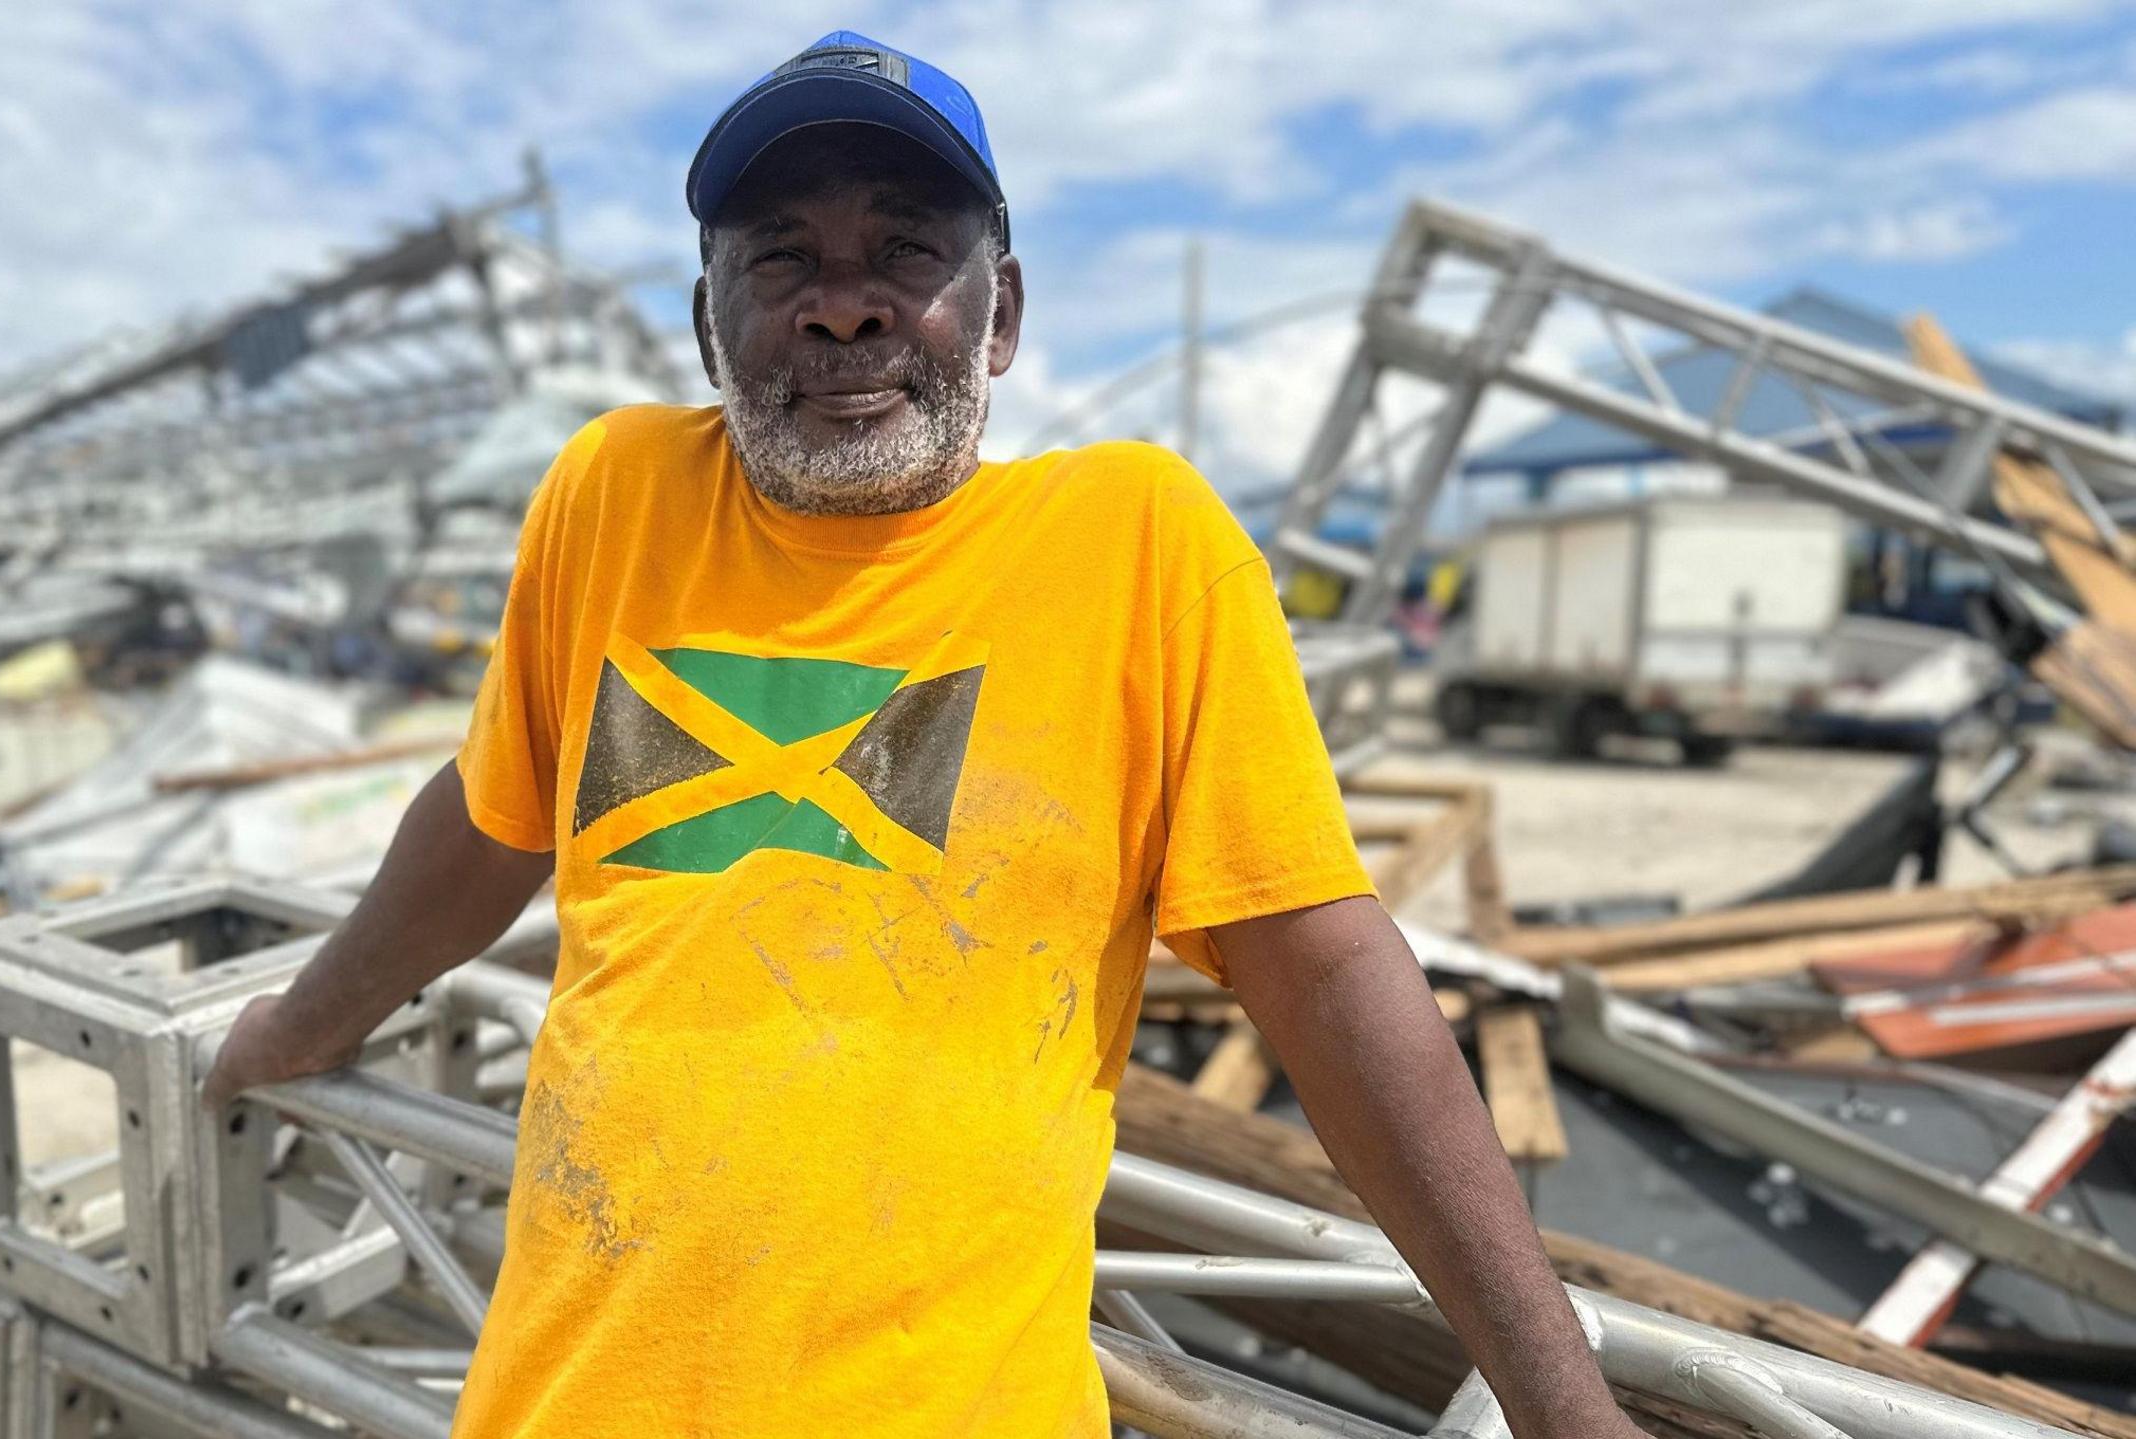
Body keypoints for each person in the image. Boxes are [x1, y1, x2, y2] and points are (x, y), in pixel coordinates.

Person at [205, 31, 1644, 1438]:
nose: (844, 309)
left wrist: (1564, 1412)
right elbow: (489, 815)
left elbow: (1322, 960)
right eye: (782, 259)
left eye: (906, 253)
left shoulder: (1137, 545)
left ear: (999, 313)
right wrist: (302, 1023)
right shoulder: (611, 495)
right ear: (713, 326)